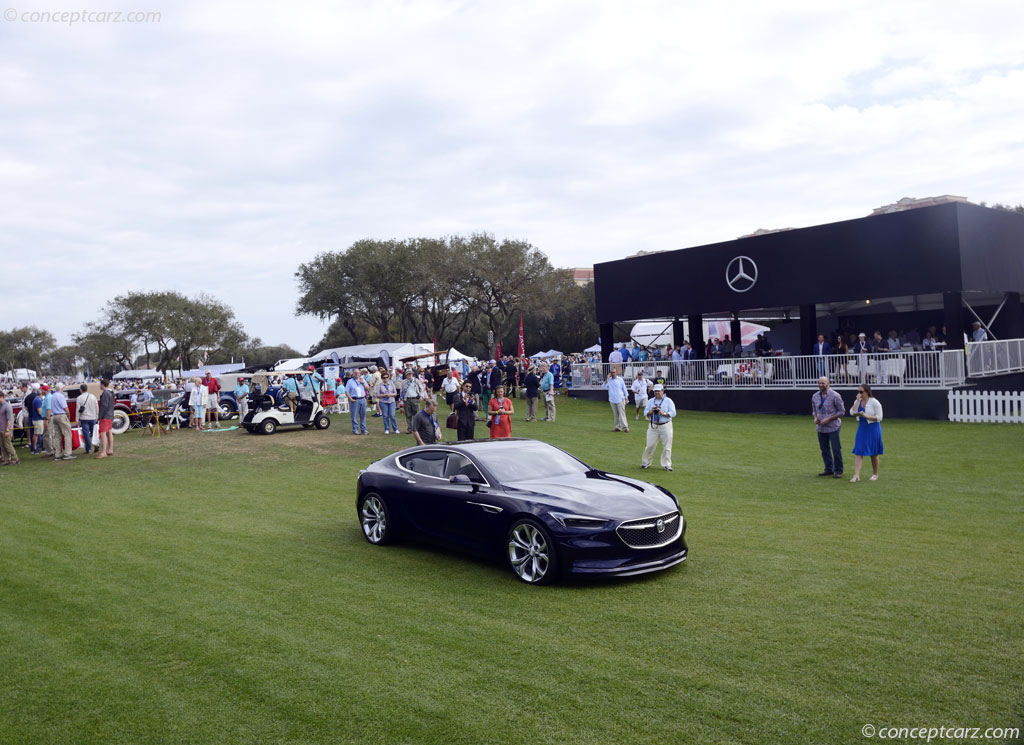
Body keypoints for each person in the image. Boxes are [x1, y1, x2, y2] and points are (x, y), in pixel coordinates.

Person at [849, 383, 884, 482]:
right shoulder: (858, 401)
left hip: (873, 428)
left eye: (861, 392)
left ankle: (875, 474)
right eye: (858, 392)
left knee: (874, 452)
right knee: (858, 451)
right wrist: (858, 402)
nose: (859, 394)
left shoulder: (874, 402)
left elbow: (879, 417)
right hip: (862, 428)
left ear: (867, 392)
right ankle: (856, 475)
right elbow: (851, 412)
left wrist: (866, 416)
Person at [812, 376, 844, 478]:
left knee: (836, 449)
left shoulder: (835, 396)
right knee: (824, 449)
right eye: (819, 383)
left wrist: (829, 419)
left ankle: (838, 470)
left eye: (823, 383)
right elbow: (814, 410)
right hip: (821, 427)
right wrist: (815, 418)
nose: (821, 385)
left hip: (833, 426)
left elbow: (842, 411)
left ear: (828, 383)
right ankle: (828, 469)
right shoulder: (815, 396)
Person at [641, 384, 676, 471]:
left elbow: (673, 413)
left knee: (667, 446)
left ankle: (667, 464)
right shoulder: (650, 401)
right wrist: (651, 411)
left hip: (665, 425)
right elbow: (645, 413)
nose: (657, 393)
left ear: (662, 391)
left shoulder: (668, 401)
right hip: (654, 425)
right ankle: (646, 462)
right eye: (655, 391)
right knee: (650, 445)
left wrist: (663, 413)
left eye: (658, 391)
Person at [49, 386, 75, 460]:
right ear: (61, 389)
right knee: (67, 434)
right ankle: (67, 453)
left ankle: (58, 454)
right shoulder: (60, 396)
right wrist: (68, 415)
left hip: (55, 416)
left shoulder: (53, 396)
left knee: (57, 436)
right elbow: (65, 407)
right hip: (61, 415)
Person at [346, 369, 368, 435]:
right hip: (355, 399)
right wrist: (350, 399)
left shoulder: (362, 380)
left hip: (362, 399)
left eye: (358, 373)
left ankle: (363, 429)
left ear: (360, 373)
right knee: (354, 416)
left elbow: (367, 389)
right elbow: (346, 391)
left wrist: (363, 383)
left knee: (363, 415)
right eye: (355, 373)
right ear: (353, 374)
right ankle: (355, 429)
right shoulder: (350, 381)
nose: (356, 374)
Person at [97, 378, 115, 457]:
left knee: (103, 434)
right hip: (110, 415)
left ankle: (104, 452)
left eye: (100, 384)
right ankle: (110, 449)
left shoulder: (105, 393)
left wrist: (100, 417)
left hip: (105, 416)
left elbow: (104, 406)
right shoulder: (111, 393)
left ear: (102, 385)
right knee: (109, 433)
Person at [0, 390, 19, 466]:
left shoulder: (7, 406)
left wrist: (7, 430)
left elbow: (9, 419)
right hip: (1, 428)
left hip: (6, 428)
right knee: (2, 445)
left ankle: (15, 459)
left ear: (2, 397)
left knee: (8, 445)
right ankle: (6, 459)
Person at [401, 369, 422, 434]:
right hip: (407, 400)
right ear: (406, 375)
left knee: (417, 414)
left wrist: (420, 396)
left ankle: (417, 428)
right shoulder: (404, 382)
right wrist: (402, 399)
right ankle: (409, 429)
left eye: (411, 374)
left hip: (415, 399)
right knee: (408, 415)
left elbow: (421, 388)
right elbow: (401, 391)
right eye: (408, 374)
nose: (410, 375)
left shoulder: (416, 381)